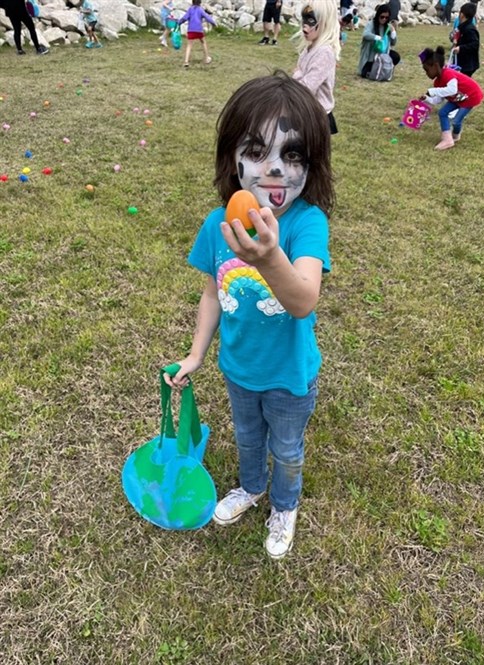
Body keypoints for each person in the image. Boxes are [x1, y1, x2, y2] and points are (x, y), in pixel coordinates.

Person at [164, 72, 334, 560]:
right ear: (233, 161)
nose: (274, 169)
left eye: (293, 154)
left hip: (289, 376)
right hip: (239, 371)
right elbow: (213, 294)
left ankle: (285, 503)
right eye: (257, 152)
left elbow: (303, 299)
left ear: (312, 164)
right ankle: (252, 487)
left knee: (287, 447)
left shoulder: (306, 224)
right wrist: (197, 354)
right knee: (248, 439)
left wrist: (267, 257)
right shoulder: (218, 225)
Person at [419, 45, 484, 150]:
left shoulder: (448, 74)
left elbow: (452, 90)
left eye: (427, 70)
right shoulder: (437, 82)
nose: (426, 73)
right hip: (457, 98)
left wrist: (433, 91)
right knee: (442, 113)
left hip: (470, 96)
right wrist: (427, 99)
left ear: (435, 66)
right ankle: (447, 139)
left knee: (456, 121)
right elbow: (438, 99)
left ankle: (455, 136)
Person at [292, 1, 341, 135]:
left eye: (311, 21)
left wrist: (297, 74)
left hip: (317, 116)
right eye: (304, 19)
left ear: (325, 22)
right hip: (305, 110)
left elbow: (307, 88)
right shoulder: (308, 49)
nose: (304, 27)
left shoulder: (324, 52)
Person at [357, 4, 400, 78]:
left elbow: (393, 43)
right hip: (371, 55)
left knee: (396, 57)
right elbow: (365, 35)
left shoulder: (388, 27)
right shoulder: (371, 24)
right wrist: (377, 37)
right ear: (378, 15)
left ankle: (386, 69)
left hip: (383, 54)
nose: (384, 19)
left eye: (386, 17)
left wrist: (393, 32)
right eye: (382, 17)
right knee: (365, 73)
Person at [177, 0, 216, 68]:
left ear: (192, 2)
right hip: (199, 30)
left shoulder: (190, 9)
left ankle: (186, 61)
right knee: (203, 42)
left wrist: (178, 23)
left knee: (189, 45)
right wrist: (213, 23)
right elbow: (207, 17)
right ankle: (207, 58)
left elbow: (184, 18)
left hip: (191, 30)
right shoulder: (200, 10)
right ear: (200, 2)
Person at [452, 3, 480, 76]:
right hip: (461, 62)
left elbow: (475, 44)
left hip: (467, 64)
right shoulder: (462, 27)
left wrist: (460, 48)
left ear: (462, 14)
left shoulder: (469, 29)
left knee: (463, 84)